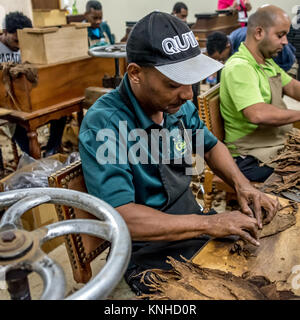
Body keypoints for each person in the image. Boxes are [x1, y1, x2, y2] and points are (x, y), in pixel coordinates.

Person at [79, 11, 279, 296]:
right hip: (148, 252)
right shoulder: (106, 125)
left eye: (191, 81)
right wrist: (210, 223)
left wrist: (242, 185)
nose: (187, 94)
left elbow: (210, 147)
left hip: (193, 224)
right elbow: (123, 217)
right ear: (135, 73)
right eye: (173, 84)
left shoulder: (176, 106)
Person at [220, 5, 300, 183]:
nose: (285, 42)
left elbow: (294, 88)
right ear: (259, 33)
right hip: (249, 157)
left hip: (273, 144)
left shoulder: (266, 63)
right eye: (280, 35)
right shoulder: (240, 67)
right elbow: (257, 114)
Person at [0, 12, 66, 157]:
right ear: (5, 32)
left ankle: (51, 151)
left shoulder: (28, 44)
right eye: (16, 41)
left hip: (30, 97)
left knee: (61, 109)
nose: (20, 46)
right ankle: (31, 155)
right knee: (18, 123)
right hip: (8, 103)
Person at [206, 28, 296, 71]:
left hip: (284, 59)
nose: (222, 61)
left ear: (227, 45)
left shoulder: (244, 40)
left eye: (221, 58)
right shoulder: (232, 38)